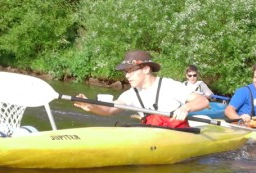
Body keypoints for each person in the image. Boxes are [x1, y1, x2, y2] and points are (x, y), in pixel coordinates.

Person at [74, 50, 209, 128]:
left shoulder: (169, 85)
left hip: (178, 135)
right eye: (125, 72)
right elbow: (109, 109)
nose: (127, 76)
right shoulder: (131, 94)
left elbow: (203, 100)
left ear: (146, 69)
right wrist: (92, 106)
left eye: (131, 71)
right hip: (152, 137)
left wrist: (186, 107)